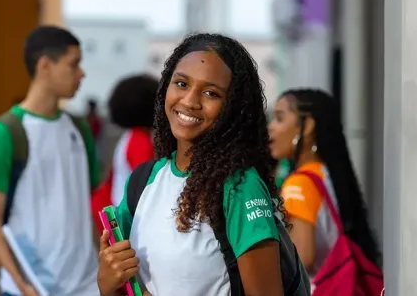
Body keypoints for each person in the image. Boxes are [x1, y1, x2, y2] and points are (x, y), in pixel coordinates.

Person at [97, 33, 285, 296]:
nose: (189, 101)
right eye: (182, 83)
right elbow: (127, 287)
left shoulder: (239, 187)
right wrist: (107, 283)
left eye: (211, 92)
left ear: (233, 107)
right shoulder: (143, 180)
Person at [0, 26, 102, 296]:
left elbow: (87, 206)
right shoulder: (6, 133)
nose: (81, 73)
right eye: (73, 64)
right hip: (34, 287)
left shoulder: (79, 128)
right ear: (44, 65)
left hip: (87, 286)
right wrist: (22, 284)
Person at [268, 89, 381, 278]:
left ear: (308, 126)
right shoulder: (326, 174)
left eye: (280, 118)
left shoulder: (298, 185)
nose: (271, 127)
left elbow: (302, 258)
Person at [90, 74, 158, 233]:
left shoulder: (130, 136)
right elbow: (148, 188)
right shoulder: (140, 141)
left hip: (114, 216)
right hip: (123, 222)